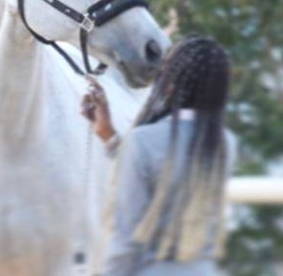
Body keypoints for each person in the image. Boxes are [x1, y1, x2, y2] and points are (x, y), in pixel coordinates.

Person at [81, 36, 236, 276]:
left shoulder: (144, 141)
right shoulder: (225, 143)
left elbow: (126, 237)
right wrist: (110, 137)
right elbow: (173, 168)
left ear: (171, 83)